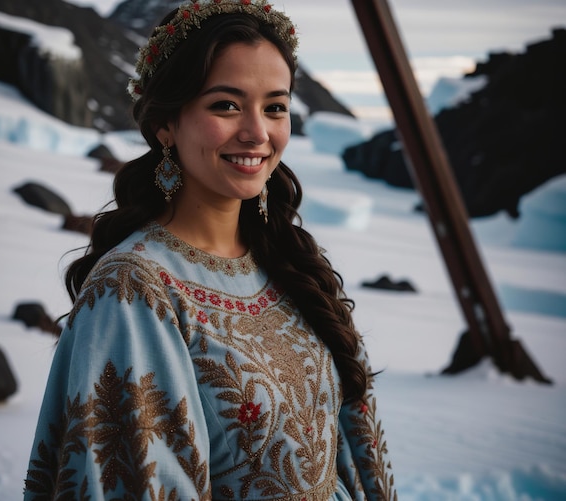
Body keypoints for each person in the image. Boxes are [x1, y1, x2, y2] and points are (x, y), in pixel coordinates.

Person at [24, 1, 396, 499]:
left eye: (275, 106)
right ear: (167, 125)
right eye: (226, 104)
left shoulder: (287, 263)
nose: (258, 132)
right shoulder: (135, 290)